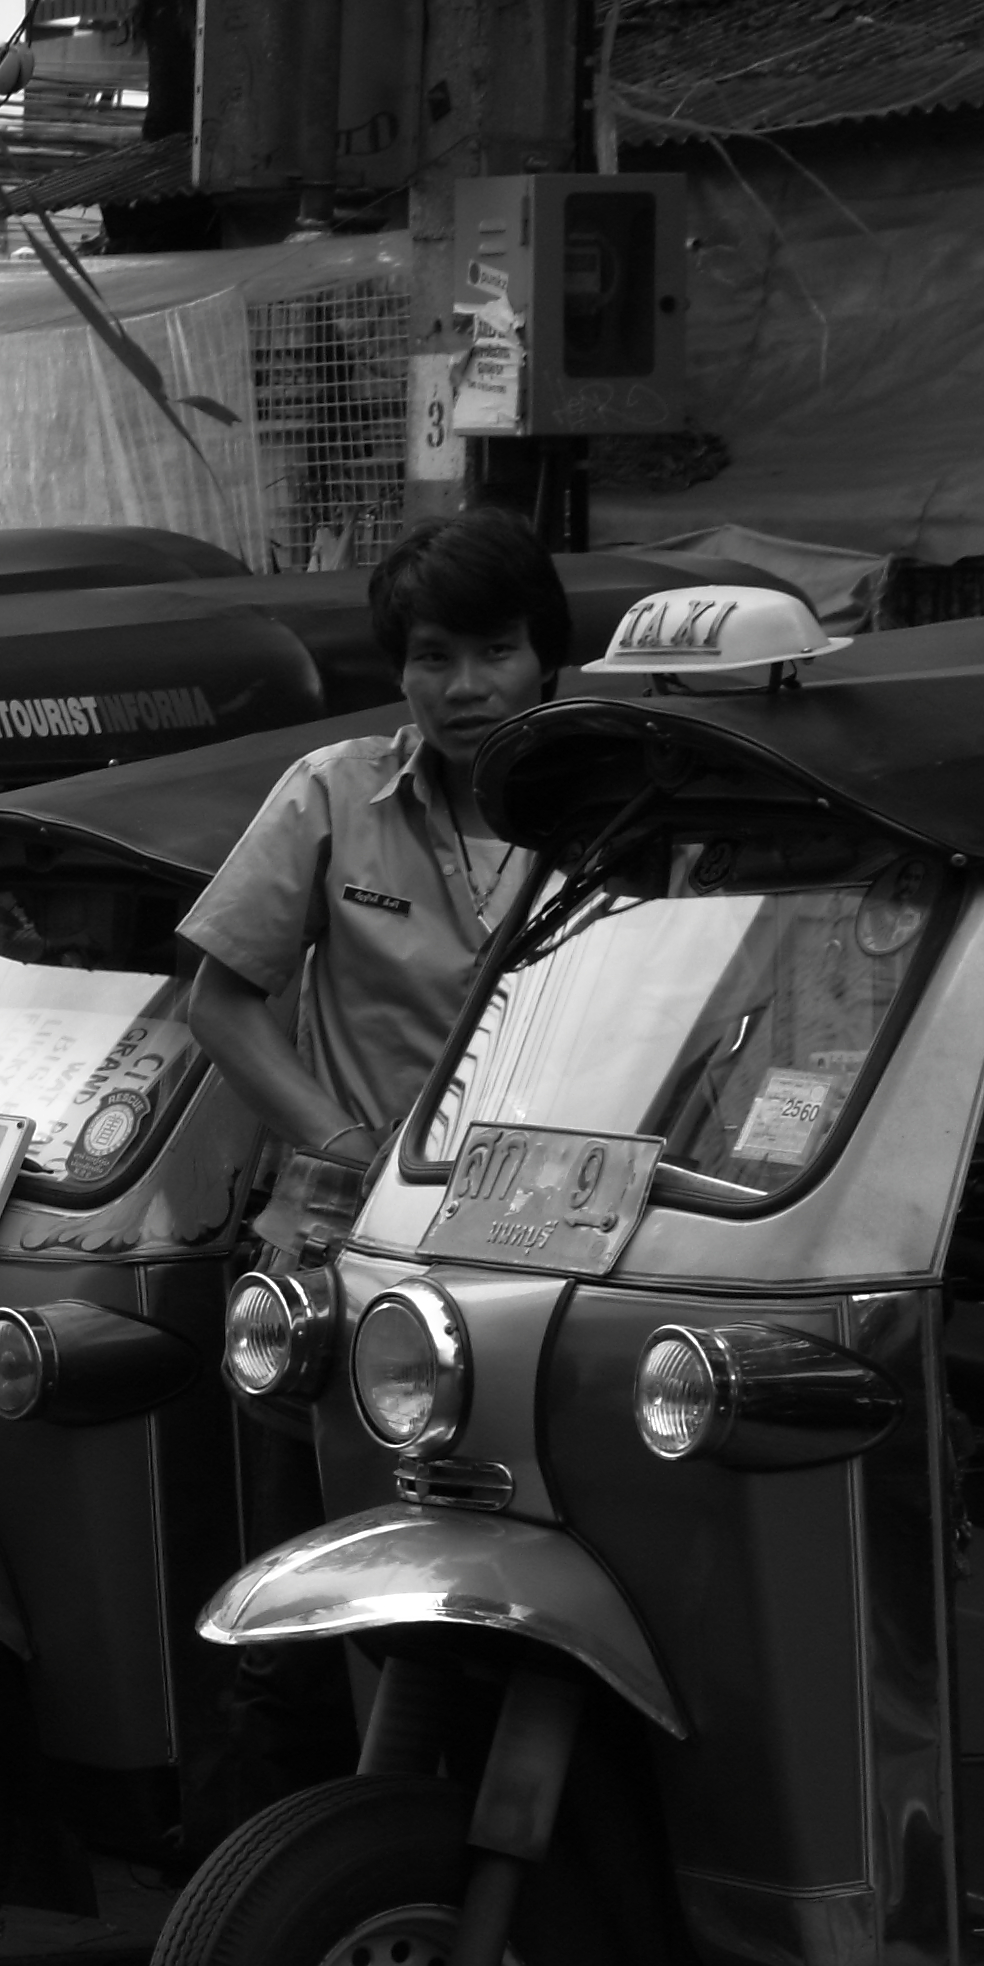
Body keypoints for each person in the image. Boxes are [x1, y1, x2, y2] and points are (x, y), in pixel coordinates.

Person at [169, 507, 573, 1831]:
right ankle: (256, 1904)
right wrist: (339, 1139)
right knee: (293, 1609)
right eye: (432, 656)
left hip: (538, 1275)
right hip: (331, 1274)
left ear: (546, 656)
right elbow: (220, 1000)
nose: (463, 688)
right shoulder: (333, 796)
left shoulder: (613, 814)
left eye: (495, 651)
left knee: (505, 1610)